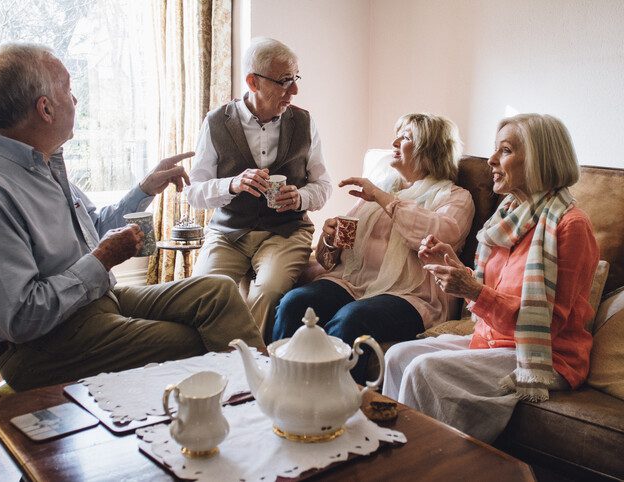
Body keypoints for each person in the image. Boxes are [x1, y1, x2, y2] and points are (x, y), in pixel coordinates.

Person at [0, 43, 264, 391]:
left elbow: (91, 227)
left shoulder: (43, 163)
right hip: (39, 346)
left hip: (96, 302)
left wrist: (145, 188)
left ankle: (263, 402)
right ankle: (244, 415)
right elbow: (23, 317)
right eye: (69, 91)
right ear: (45, 109)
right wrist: (101, 259)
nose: (76, 100)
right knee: (187, 342)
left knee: (218, 292)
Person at [383, 114, 599, 443]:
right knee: (397, 356)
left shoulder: (569, 226)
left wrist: (473, 290)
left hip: (544, 354)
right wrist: (455, 267)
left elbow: (549, 323)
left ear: (540, 159)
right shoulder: (510, 215)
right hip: (495, 340)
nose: (492, 161)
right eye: (494, 150)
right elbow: (490, 291)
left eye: (506, 151)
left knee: (423, 370)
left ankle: (427, 466)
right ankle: (397, 455)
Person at [272, 113, 474, 384]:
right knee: (293, 303)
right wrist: (331, 238)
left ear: (431, 149)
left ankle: (328, 399)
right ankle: (279, 385)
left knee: (352, 319)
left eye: (405, 137)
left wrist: (383, 198)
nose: (394, 142)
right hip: (353, 283)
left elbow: (438, 236)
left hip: (410, 296)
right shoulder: (381, 189)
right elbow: (337, 251)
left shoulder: (454, 197)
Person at [185, 37, 332, 338]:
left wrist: (300, 197)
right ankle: (213, 365)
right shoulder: (216, 122)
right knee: (202, 293)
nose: (295, 90)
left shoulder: (304, 122)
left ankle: (253, 369)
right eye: (284, 81)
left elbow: (324, 185)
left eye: (295, 78)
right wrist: (232, 184)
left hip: (286, 233)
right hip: (228, 233)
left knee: (267, 291)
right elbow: (194, 192)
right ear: (253, 82)